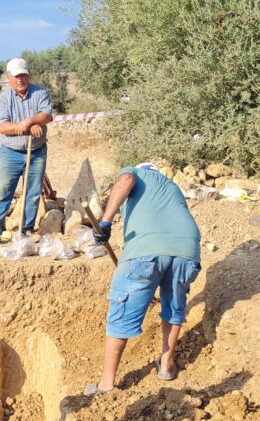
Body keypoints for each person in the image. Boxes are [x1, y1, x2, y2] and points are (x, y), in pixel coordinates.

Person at [85, 163, 202, 395]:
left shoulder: (136, 173)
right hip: (187, 250)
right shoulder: (172, 188)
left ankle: (106, 384)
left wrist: (105, 222)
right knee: (174, 306)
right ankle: (166, 366)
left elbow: (126, 179)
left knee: (122, 311)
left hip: (147, 250)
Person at [0, 57, 53, 244]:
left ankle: (27, 229)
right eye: (16, 76)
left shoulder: (40, 92)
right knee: (3, 190)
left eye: (23, 75)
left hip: (37, 151)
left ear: (28, 75)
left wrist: (30, 121)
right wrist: (28, 126)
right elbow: (3, 127)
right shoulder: (2, 99)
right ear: (9, 77)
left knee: (33, 192)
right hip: (10, 152)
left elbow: (46, 115)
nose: (20, 79)